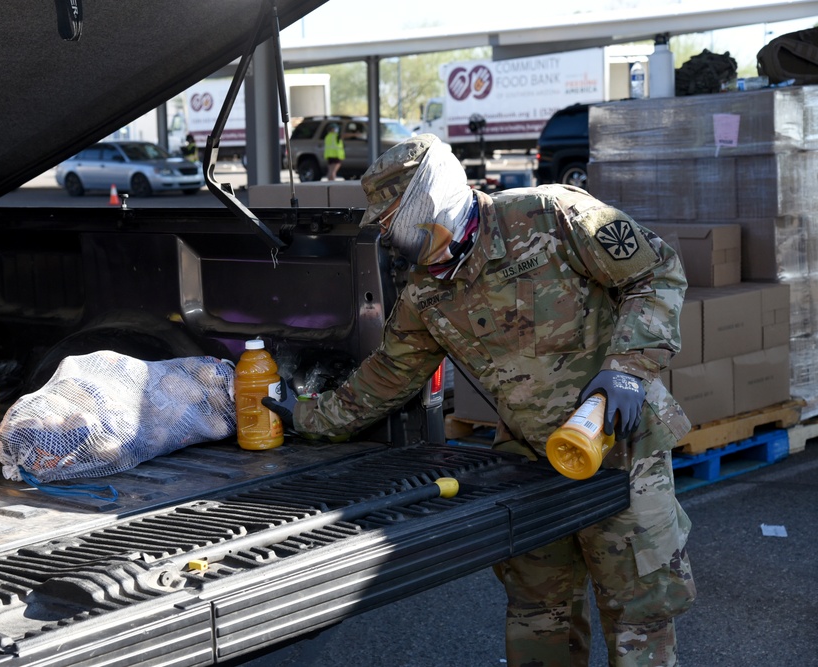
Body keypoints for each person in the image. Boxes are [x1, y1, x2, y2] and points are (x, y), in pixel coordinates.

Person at [263, 133, 697, 666]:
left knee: (638, 611)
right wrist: (307, 418)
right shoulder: (427, 289)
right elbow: (390, 373)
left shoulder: (551, 215)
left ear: (431, 200)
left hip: (623, 449)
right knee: (541, 614)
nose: (394, 238)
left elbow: (656, 272)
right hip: (534, 462)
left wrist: (628, 370)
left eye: (395, 219)